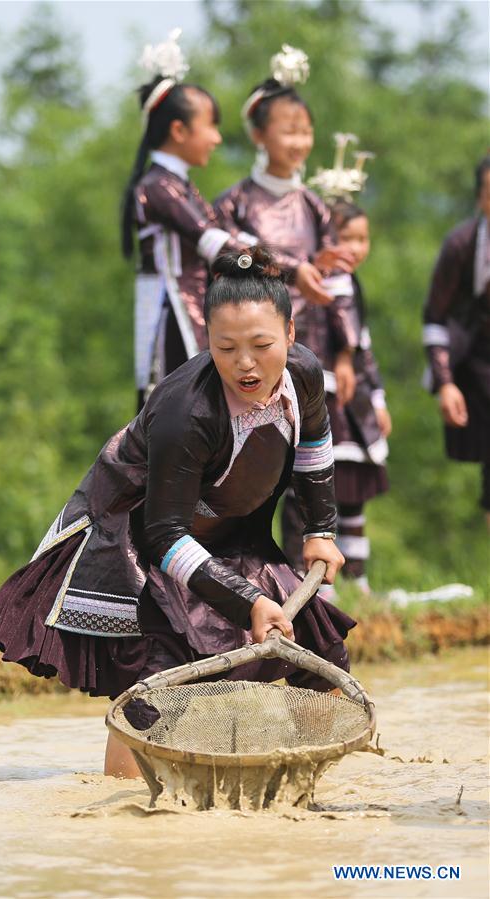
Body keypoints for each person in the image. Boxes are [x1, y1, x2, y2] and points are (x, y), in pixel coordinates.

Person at [0, 248, 351, 778]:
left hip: (231, 532)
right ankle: (124, 820)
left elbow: (314, 444)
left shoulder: (305, 374)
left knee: (320, 652)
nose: (245, 364)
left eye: (262, 346)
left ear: (290, 334)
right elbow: (163, 533)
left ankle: (312, 787)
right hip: (136, 541)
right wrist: (249, 604)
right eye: (226, 348)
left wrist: (320, 530)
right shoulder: (187, 411)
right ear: (206, 341)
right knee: (153, 688)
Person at [213, 46, 358, 572]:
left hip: (308, 344)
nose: (298, 142)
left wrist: (346, 352)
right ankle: (247, 572)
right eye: (286, 130)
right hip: (255, 352)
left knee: (314, 458)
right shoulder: (234, 203)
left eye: (305, 131)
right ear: (257, 133)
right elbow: (226, 263)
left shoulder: (316, 206)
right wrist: (297, 267)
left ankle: (313, 579)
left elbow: (342, 284)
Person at [122, 29, 238, 408]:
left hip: (190, 306)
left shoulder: (178, 184)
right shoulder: (159, 186)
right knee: (178, 411)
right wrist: (272, 262)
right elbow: (211, 240)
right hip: (170, 310)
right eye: (211, 125)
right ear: (178, 130)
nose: (217, 138)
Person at [325, 200, 391, 593]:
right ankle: (321, 585)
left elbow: (363, 349)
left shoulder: (352, 282)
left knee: (352, 492)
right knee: (322, 493)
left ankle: (359, 580)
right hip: (326, 401)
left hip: (354, 404)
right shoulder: (318, 283)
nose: (355, 247)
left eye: (362, 238)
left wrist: (379, 399)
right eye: (345, 238)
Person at [423, 155, 490, 527]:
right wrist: (445, 383)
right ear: (481, 198)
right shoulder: (462, 245)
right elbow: (435, 318)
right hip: (477, 363)